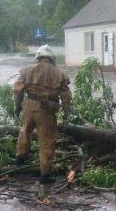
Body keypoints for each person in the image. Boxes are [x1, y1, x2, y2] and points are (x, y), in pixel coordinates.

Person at [13, 45, 72, 184]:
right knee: (47, 141)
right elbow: (66, 97)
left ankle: (20, 156)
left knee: (25, 130)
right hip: (46, 110)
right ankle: (45, 175)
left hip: (28, 105)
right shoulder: (60, 74)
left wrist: (17, 106)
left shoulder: (27, 71)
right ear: (52, 58)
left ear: (38, 57)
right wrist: (66, 112)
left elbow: (17, 90)